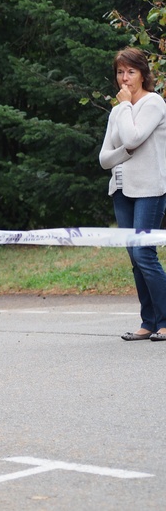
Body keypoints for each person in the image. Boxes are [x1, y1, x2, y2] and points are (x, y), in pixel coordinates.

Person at [99, 47, 166, 342]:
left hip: (149, 189)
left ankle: (165, 321)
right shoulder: (117, 110)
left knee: (144, 253)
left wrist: (125, 107)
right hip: (121, 189)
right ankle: (148, 321)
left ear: (143, 74)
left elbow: (133, 136)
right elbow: (104, 159)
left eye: (131, 72)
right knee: (134, 257)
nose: (124, 79)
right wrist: (126, 152)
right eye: (119, 72)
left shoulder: (153, 103)